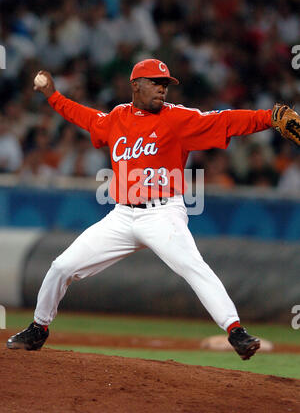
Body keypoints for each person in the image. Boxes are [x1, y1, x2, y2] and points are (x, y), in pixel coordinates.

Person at [7, 58, 276, 360]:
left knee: (193, 267)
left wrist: (270, 117)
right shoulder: (117, 117)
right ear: (136, 85)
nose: (162, 89)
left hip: (163, 213)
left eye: (165, 84)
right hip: (122, 216)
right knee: (61, 267)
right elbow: (84, 117)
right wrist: (54, 96)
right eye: (156, 83)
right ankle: (38, 328)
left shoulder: (178, 118)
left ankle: (236, 331)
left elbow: (226, 121)